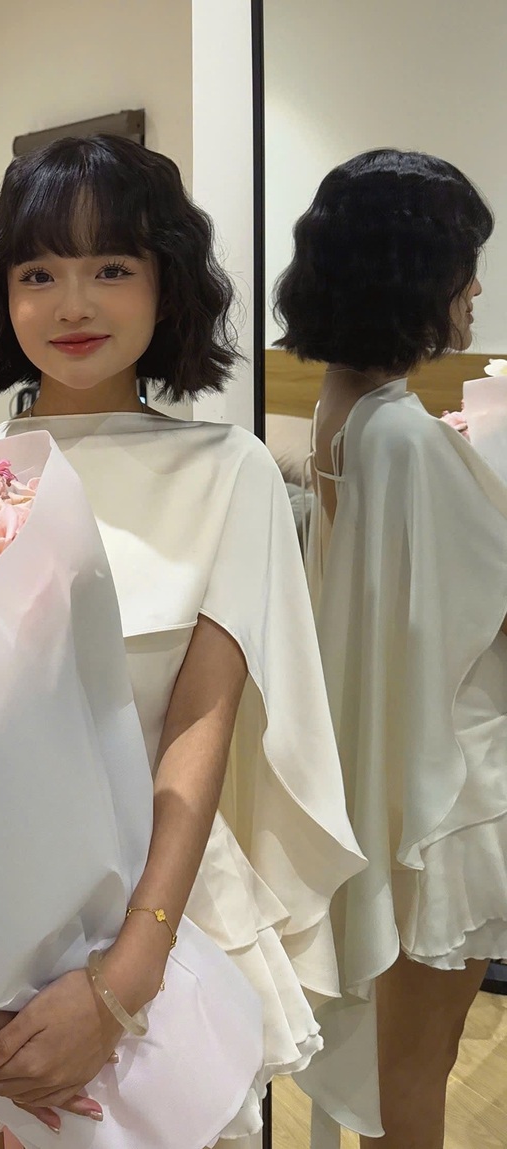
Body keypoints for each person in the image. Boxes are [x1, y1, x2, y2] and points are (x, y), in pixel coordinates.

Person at [0, 134, 365, 1148]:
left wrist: (125, 978)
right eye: (37, 273)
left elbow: (199, 727)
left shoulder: (226, 469)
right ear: (2, 296)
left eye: (111, 268)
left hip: (165, 912)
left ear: (165, 284)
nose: (72, 305)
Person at [274, 148, 507, 1149]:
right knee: (416, 1073)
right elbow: (480, 610)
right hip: (447, 796)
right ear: (414, 273)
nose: (475, 290)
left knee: (396, 1068)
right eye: (464, 265)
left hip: (407, 781)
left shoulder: (344, 406)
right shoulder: (404, 436)